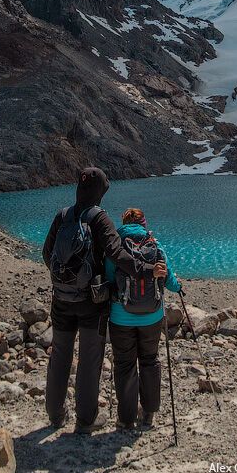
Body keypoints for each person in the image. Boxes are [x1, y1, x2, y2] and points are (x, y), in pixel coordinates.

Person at [41, 167, 162, 434]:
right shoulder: (99, 218)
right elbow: (117, 255)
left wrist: (65, 280)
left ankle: (55, 414)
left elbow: (46, 254)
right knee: (89, 358)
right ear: (100, 191)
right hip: (91, 302)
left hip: (61, 299)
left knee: (60, 354)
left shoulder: (62, 216)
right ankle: (85, 421)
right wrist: (146, 271)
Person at [106, 208, 182, 430]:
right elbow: (168, 278)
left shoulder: (116, 247)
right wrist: (179, 288)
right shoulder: (155, 245)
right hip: (152, 316)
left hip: (121, 317)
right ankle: (148, 413)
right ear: (143, 223)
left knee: (124, 364)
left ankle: (126, 418)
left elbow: (110, 278)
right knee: (149, 360)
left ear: (123, 223)